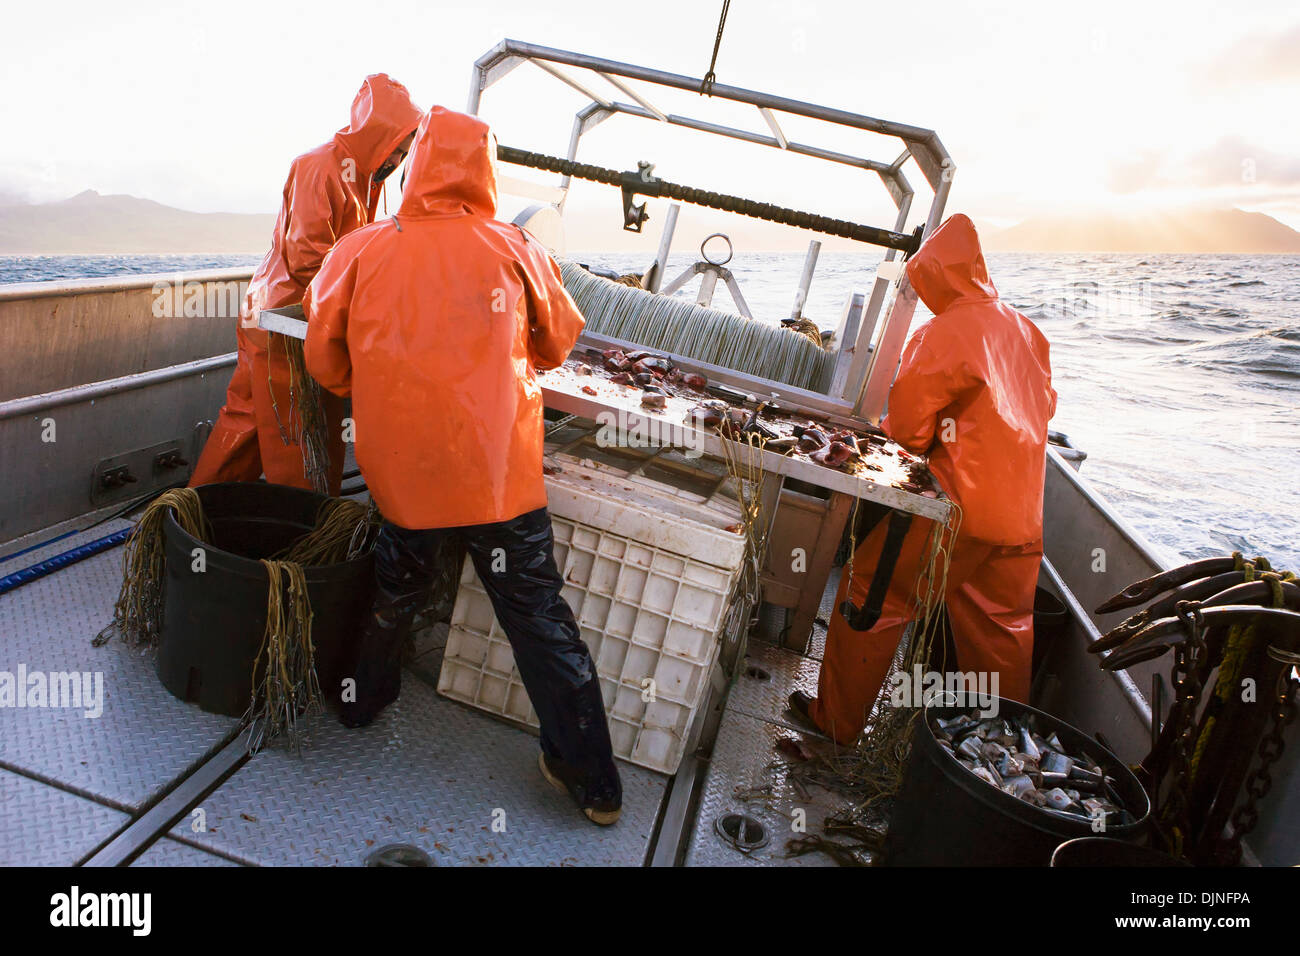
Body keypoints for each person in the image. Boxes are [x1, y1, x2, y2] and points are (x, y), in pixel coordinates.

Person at [303, 106, 622, 826]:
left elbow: (324, 361)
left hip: (406, 478)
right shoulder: (515, 246)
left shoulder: (361, 248)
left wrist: (386, 383)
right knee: (538, 616)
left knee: (395, 587)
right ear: (487, 171)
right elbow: (559, 344)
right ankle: (593, 781)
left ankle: (360, 705)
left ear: (416, 166)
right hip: (498, 478)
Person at [791, 213, 1057, 745]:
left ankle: (836, 726)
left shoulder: (945, 330)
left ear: (935, 275)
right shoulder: (1028, 331)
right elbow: (1044, 407)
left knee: (873, 596)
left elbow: (908, 432)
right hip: (1022, 520)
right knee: (1002, 629)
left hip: (953, 511)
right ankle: (1005, 753)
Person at [189, 74, 423, 493]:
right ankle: (307, 539)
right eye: (397, 148)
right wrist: (365, 312)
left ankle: (194, 514)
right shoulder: (318, 166)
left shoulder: (372, 183)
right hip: (284, 323)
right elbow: (307, 259)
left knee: (245, 423)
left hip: (284, 316)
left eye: (405, 153)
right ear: (377, 135)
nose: (398, 160)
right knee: (302, 441)